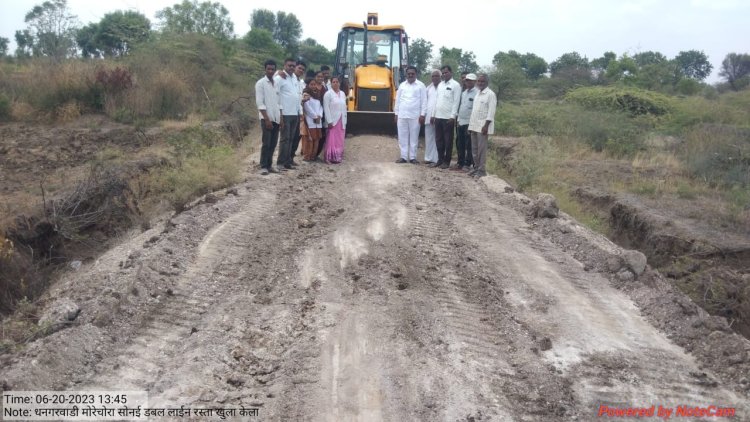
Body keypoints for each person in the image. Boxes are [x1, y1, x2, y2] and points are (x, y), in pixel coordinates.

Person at [254, 59, 282, 175]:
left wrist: (281, 118)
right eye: (268, 69)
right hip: (266, 118)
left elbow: (279, 102)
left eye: (272, 69)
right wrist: (267, 119)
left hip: (276, 118)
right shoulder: (260, 83)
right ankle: (263, 166)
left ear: (275, 70)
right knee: (266, 143)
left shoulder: (276, 83)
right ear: (265, 69)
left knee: (273, 143)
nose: (270, 71)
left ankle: (270, 165)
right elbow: (260, 103)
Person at [394, 66, 426, 164]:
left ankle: (412, 157)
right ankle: (403, 157)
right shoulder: (402, 85)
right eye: (409, 74)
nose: (411, 75)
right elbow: (398, 100)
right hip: (402, 115)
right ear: (406, 74)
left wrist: (422, 115)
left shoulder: (421, 85)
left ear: (416, 74)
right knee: (402, 137)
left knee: (414, 137)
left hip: (415, 116)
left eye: (413, 73)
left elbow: (424, 101)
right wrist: (396, 114)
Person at [431, 65, 462, 169]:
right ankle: (440, 160)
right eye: (443, 73)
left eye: (446, 72)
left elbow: (456, 102)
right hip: (438, 116)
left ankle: (446, 161)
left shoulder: (456, 85)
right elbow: (437, 101)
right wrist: (433, 115)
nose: (444, 74)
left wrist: (453, 116)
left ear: (451, 72)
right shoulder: (440, 85)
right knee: (438, 140)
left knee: (448, 140)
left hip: (448, 118)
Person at [274, 58, 302, 170]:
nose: (291, 67)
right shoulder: (280, 78)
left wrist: (299, 112)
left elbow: (297, 95)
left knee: (291, 138)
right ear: (284, 65)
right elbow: (276, 95)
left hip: (295, 113)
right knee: (285, 139)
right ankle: (280, 163)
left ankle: (287, 162)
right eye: (289, 65)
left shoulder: (294, 78)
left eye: (293, 66)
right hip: (285, 113)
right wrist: (279, 114)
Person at [468, 73, 497, 178]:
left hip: (482, 127)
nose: (480, 83)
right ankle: (476, 168)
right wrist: (470, 126)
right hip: (474, 125)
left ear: (487, 82)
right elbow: (474, 112)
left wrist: (486, 126)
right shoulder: (477, 94)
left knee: (481, 150)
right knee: (474, 149)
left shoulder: (490, 94)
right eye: (479, 81)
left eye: (482, 81)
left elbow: (491, 112)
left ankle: (482, 170)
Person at [454, 73, 477, 171]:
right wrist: (458, 120)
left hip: (469, 122)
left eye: (471, 80)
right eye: (467, 80)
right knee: (460, 143)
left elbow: (475, 110)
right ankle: (460, 163)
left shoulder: (477, 93)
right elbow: (461, 108)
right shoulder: (463, 93)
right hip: (461, 121)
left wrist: (472, 124)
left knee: (469, 145)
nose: (468, 82)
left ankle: (468, 164)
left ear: (475, 82)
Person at [323, 76, 347, 163]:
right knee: (331, 139)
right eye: (334, 82)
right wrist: (329, 121)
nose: (336, 83)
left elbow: (344, 107)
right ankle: (329, 157)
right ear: (331, 83)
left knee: (339, 139)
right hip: (332, 120)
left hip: (341, 120)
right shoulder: (328, 94)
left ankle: (337, 157)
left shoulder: (343, 94)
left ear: (339, 83)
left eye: (337, 82)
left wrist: (345, 119)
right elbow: (326, 108)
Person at [301, 80, 324, 161]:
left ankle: (313, 156)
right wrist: (314, 116)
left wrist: (320, 115)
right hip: (310, 120)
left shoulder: (318, 95)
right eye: (311, 84)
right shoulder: (306, 94)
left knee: (316, 139)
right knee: (309, 139)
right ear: (308, 85)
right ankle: (307, 156)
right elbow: (307, 107)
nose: (313, 86)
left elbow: (321, 106)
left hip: (318, 121)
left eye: (315, 84)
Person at [424, 70, 441, 165]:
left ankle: (437, 158)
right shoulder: (428, 88)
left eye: (437, 76)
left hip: (439, 116)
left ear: (440, 77)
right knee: (429, 138)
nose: (434, 78)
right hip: (428, 116)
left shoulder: (443, 87)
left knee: (438, 138)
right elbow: (425, 102)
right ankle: (428, 158)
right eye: (433, 76)